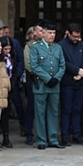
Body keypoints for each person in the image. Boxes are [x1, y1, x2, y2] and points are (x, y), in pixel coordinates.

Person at [29, 21, 64, 149]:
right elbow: (34, 66)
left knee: (53, 112)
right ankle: (41, 140)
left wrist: (56, 78)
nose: (52, 35)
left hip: (55, 86)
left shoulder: (58, 48)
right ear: (43, 34)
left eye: (54, 33)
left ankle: (53, 138)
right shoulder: (36, 47)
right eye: (49, 33)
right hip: (42, 86)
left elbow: (62, 65)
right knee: (40, 113)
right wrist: (48, 78)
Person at [59, 24, 83, 146]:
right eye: (74, 36)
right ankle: (65, 135)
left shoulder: (82, 45)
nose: (76, 39)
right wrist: (76, 71)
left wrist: (82, 71)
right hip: (67, 82)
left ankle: (77, 134)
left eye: (78, 36)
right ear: (68, 33)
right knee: (67, 109)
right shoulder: (61, 46)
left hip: (81, 82)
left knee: (78, 109)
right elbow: (63, 61)